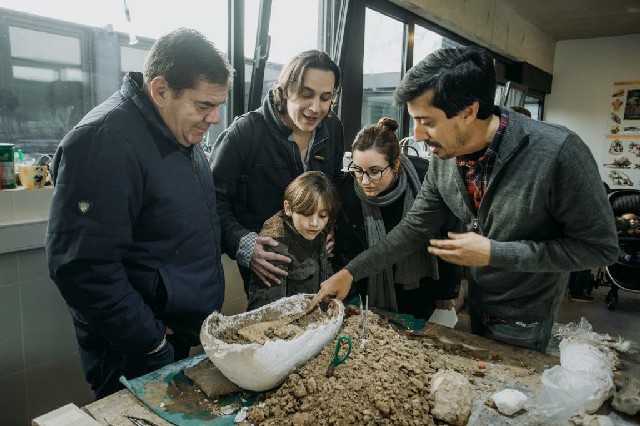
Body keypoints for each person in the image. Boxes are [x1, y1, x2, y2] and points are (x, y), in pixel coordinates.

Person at [309, 46, 618, 352]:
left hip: (526, 317)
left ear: (469, 112)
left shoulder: (558, 153)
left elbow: (599, 249)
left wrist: (495, 253)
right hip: (479, 304)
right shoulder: (445, 158)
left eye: (427, 122)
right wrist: (351, 272)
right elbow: (412, 229)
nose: (417, 135)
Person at [45, 28, 233, 399]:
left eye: (219, 105)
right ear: (161, 91)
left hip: (170, 335)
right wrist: (149, 342)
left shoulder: (180, 131)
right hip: (133, 349)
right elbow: (83, 267)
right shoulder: (104, 141)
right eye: (204, 105)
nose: (214, 118)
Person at [210, 50, 344, 293]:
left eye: (326, 98)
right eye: (306, 95)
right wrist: (244, 245)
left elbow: (332, 186)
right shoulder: (246, 132)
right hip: (266, 264)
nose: (316, 108)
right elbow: (212, 201)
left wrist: (329, 222)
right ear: (285, 89)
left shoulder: (333, 129)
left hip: (317, 259)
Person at [332, 117, 460, 319]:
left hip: (419, 282)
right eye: (358, 170)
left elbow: (448, 234)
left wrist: (446, 290)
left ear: (396, 164)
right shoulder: (348, 193)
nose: (365, 181)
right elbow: (346, 251)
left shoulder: (425, 177)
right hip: (371, 284)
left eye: (375, 171)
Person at [247, 171, 339, 310]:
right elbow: (269, 312)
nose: (315, 223)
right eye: (307, 214)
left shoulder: (321, 231)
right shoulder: (274, 247)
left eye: (322, 215)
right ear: (288, 208)